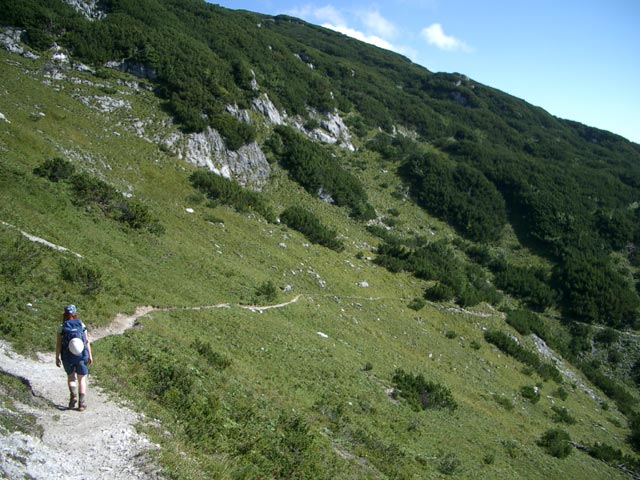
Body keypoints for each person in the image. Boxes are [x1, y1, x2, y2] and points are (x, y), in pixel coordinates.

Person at [55, 304, 93, 411]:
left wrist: (57, 357)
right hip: (81, 355)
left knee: (71, 377)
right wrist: (90, 355)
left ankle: (73, 396)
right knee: (81, 379)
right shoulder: (81, 324)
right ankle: (81, 403)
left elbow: (58, 344)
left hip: (67, 356)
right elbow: (86, 341)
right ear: (75, 314)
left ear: (65, 314)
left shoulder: (61, 327)